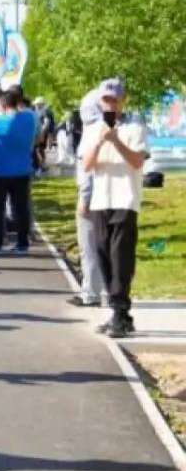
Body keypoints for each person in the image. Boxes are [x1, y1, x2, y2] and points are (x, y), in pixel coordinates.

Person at [81, 79, 148, 338]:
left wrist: (117, 140)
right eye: (106, 100)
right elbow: (87, 165)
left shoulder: (135, 127)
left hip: (125, 198)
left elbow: (137, 161)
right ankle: (118, 310)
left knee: (121, 257)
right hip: (101, 200)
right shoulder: (92, 129)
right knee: (103, 254)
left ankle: (120, 312)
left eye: (115, 100)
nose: (111, 104)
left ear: (123, 101)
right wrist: (100, 142)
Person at [0, 88, 38, 255]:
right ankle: (23, 244)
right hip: (22, 171)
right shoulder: (29, 118)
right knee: (21, 209)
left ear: (4, 105)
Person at [68, 89, 107, 308]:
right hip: (109, 197)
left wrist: (84, 198)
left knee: (89, 246)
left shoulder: (92, 132)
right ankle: (105, 290)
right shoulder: (111, 128)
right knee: (103, 246)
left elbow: (87, 170)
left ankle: (90, 293)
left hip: (93, 197)